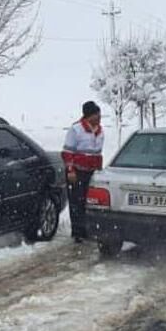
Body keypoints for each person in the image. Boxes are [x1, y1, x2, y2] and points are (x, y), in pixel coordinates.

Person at [62, 101, 105, 243]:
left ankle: (88, 230)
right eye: (96, 115)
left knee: (90, 202)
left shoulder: (100, 131)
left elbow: (98, 153)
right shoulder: (76, 129)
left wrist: (99, 171)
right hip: (77, 172)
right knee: (77, 202)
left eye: (99, 114)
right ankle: (78, 232)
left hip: (92, 172)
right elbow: (67, 152)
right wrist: (70, 170)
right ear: (88, 116)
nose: (99, 117)